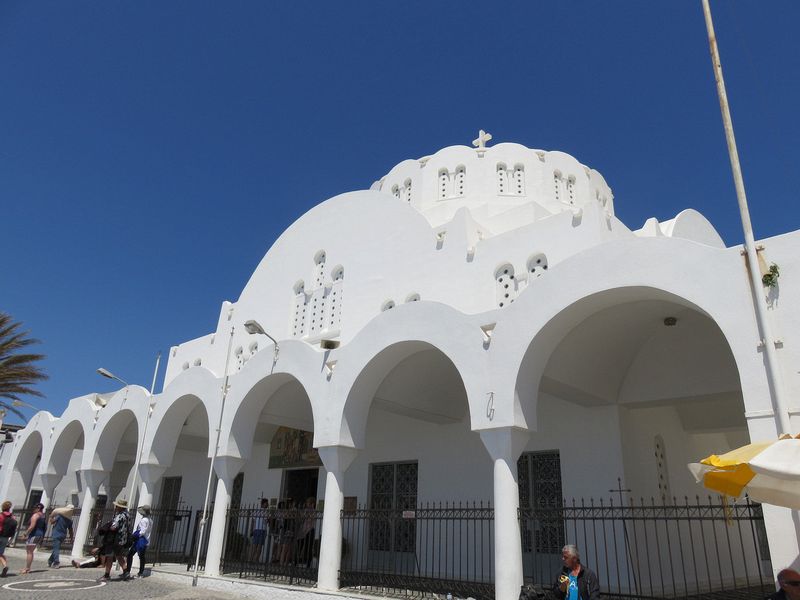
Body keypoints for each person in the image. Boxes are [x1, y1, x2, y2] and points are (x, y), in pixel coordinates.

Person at [99, 498, 130, 581]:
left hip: (114, 539)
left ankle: (106, 575)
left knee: (109, 556)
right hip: (122, 539)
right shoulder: (127, 515)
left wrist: (108, 527)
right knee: (119, 556)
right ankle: (126, 572)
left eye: (117, 506)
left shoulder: (119, 516)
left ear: (120, 507)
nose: (116, 507)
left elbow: (114, 527)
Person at [123, 505, 152, 578]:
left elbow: (142, 531)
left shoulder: (144, 520)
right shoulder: (150, 520)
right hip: (146, 540)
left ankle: (128, 571)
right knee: (142, 556)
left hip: (140, 540)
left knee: (130, 554)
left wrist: (135, 536)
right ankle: (140, 572)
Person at [20, 502, 46, 574]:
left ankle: (27, 569)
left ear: (38, 508)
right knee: (30, 552)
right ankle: (27, 568)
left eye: (34, 508)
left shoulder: (36, 515)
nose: (33, 509)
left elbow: (32, 526)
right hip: (39, 534)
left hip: (34, 534)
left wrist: (25, 534)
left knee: (29, 552)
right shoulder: (42, 516)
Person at [47, 504, 74, 568]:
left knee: (56, 549)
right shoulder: (70, 520)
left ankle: (56, 562)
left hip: (56, 534)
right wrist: (71, 538)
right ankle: (50, 561)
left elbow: (52, 522)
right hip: (63, 535)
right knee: (56, 548)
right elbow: (71, 530)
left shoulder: (59, 516)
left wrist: (51, 517)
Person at [250, 499, 268, 563]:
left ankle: (252, 559)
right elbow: (266, 522)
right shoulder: (265, 512)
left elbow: (253, 521)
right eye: (266, 503)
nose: (267, 504)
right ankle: (256, 559)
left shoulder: (256, 511)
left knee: (255, 545)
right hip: (262, 530)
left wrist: (252, 530)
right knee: (259, 546)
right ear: (263, 504)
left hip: (256, 530)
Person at [0, 500, 15, 577]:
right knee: (0, 553)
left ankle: (5, 566)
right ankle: (5, 566)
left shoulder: (1, 515)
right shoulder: (12, 517)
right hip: (6, 537)